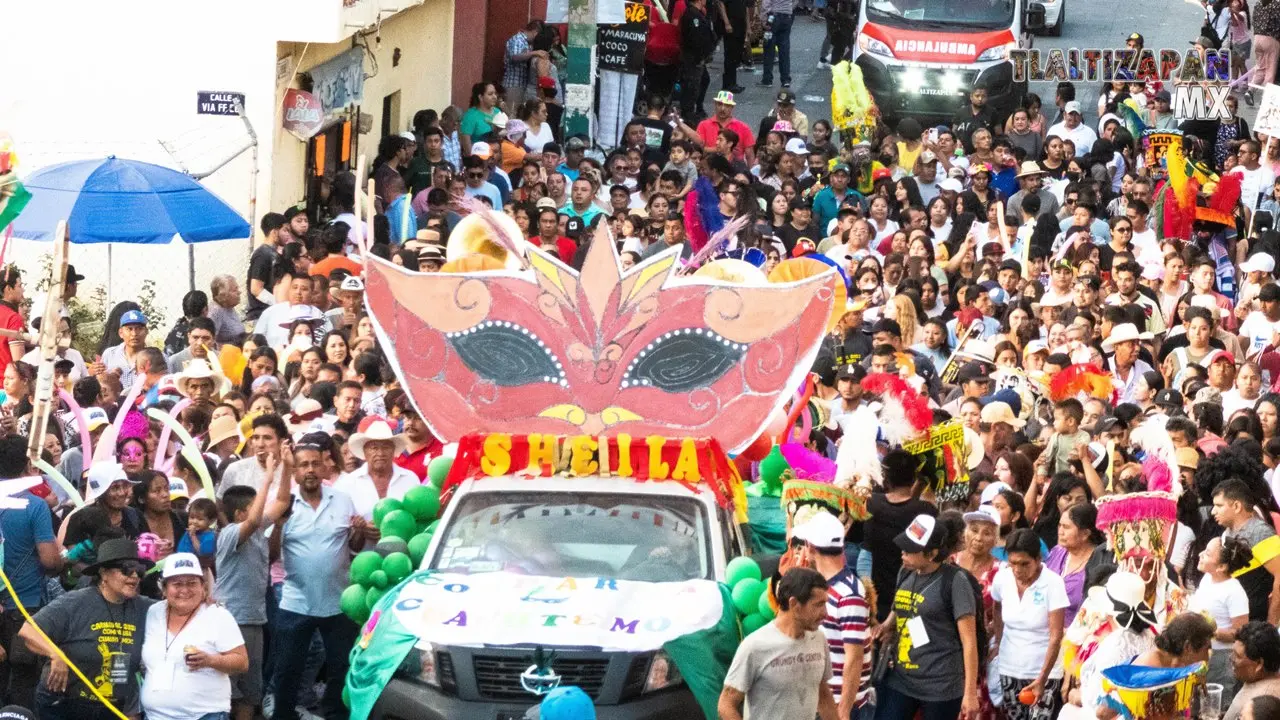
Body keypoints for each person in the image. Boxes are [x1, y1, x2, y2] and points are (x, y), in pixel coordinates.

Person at [267, 443, 367, 720]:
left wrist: (358, 532)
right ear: (295, 472)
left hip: (338, 602)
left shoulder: (342, 499)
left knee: (341, 666)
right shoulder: (284, 504)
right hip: (295, 601)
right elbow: (272, 555)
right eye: (303, 465)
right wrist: (277, 525)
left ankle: (334, 715)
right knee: (287, 669)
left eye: (315, 463)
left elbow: (354, 547)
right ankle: (283, 716)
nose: (310, 470)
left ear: (325, 468)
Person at [20, 538, 153, 720]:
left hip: (115, 705)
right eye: (126, 569)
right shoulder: (75, 602)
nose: (135, 576)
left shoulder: (146, 608)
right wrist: (56, 655)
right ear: (104, 573)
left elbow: (179, 607)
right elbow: (28, 631)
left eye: (139, 570)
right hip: (65, 704)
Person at [875, 515, 980, 719]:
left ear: (931, 554)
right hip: (901, 678)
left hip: (940, 686)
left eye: (910, 549)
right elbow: (901, 607)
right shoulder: (905, 572)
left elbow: (969, 642)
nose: (903, 552)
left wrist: (969, 693)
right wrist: (885, 626)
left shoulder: (955, 582)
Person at [718, 567, 839, 720]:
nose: (825, 613)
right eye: (818, 605)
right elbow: (726, 704)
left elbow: (823, 694)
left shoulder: (819, 639)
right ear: (794, 604)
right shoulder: (755, 646)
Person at [140, 553, 247, 720]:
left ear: (203, 587)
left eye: (192, 583)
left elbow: (242, 662)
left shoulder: (218, 615)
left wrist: (210, 660)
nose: (185, 590)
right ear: (164, 588)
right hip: (155, 716)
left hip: (204, 715)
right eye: (177, 584)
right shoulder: (153, 612)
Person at [0, 435, 61, 709]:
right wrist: (65, 559)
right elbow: (50, 560)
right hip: (25, 610)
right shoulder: (35, 506)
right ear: (26, 465)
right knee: (24, 681)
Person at [793, 512, 870, 717]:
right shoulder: (824, 587)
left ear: (810, 547)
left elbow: (854, 657)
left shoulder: (849, 594)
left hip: (837, 704)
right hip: (821, 698)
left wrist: (842, 712)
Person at [990, 528, 1068, 720]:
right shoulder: (1002, 578)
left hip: (1043, 671)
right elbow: (997, 607)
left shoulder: (1053, 583)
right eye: (1013, 563)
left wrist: (1042, 679)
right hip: (1009, 667)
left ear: (1038, 560)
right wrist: (998, 642)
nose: (1017, 569)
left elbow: (1056, 635)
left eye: (1024, 564)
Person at [1192, 535, 1253, 700]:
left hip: (1221, 658)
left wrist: (1211, 631)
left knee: (1215, 700)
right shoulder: (1206, 579)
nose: (1200, 555)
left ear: (1221, 566)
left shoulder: (1234, 592)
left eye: (1208, 554)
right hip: (1199, 652)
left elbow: (1240, 633)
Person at [1213, 478, 1280, 623]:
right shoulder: (1227, 533)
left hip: (1259, 626)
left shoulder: (1260, 533)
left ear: (1237, 506)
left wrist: (1272, 622)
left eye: (1219, 505)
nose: (1213, 511)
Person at [333, 419, 418, 524]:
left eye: (386, 447)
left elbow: (417, 518)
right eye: (374, 448)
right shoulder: (347, 484)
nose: (380, 453)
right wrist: (359, 529)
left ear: (393, 450)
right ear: (364, 451)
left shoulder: (410, 479)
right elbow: (337, 523)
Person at [1225, 621, 1280, 720]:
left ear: (1259, 663)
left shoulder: (1258, 705)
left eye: (1237, 656)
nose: (1231, 658)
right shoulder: (1258, 681)